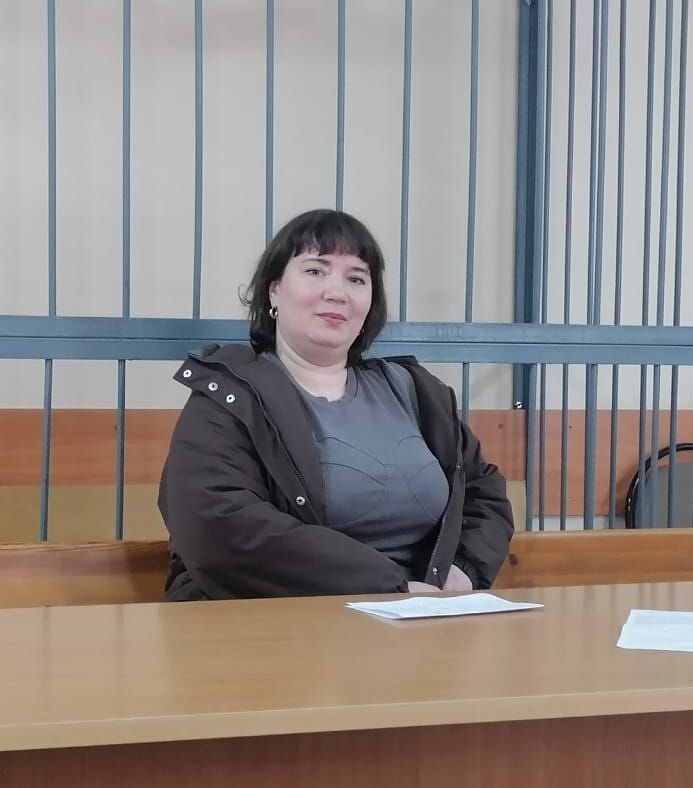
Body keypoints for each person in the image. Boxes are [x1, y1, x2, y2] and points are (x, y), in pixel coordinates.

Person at [157, 209, 514, 601]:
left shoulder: (414, 391)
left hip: (422, 616)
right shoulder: (229, 394)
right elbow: (218, 527)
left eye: (356, 278)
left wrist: (464, 569)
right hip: (277, 620)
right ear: (274, 291)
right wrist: (389, 588)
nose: (337, 292)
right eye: (315, 271)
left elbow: (483, 491)